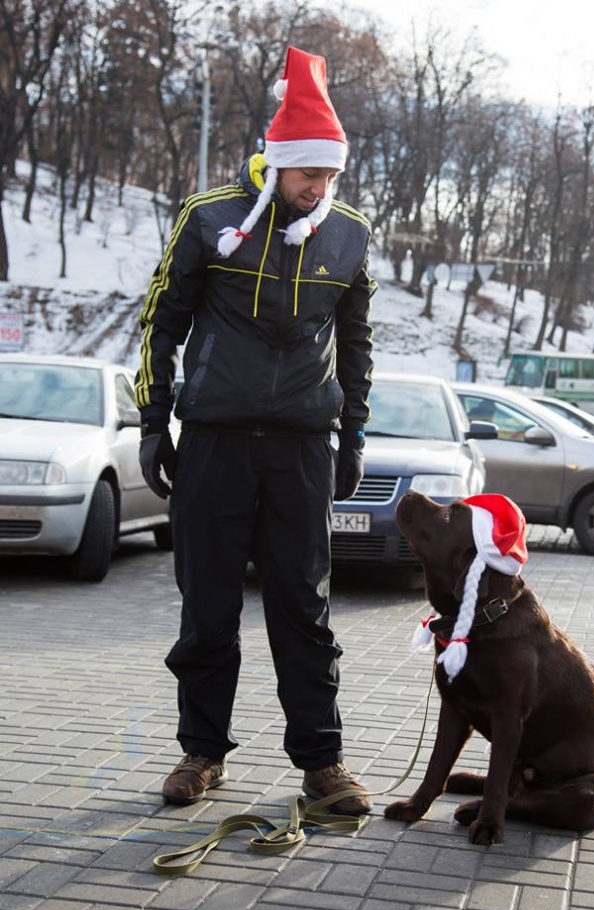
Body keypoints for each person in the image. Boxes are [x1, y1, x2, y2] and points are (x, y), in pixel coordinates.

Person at [134, 47, 376, 816]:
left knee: (303, 609)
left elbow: (359, 343)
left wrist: (353, 434)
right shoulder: (208, 218)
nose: (320, 189)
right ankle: (201, 752)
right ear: (276, 163)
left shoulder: (347, 234)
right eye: (310, 174)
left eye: (330, 177)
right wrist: (153, 418)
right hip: (214, 442)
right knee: (207, 609)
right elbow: (159, 322)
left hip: (302, 447)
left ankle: (322, 762)